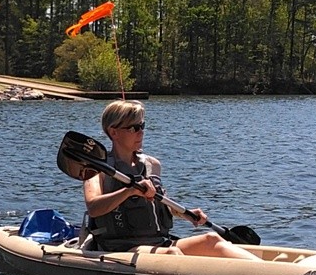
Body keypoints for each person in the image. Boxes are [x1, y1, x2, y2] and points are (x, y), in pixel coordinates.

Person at [82, 99, 259, 259]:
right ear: (114, 132)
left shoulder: (152, 165)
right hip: (122, 248)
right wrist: (130, 190)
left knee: (211, 239)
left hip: (160, 242)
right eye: (134, 128)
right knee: (172, 253)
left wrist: (186, 213)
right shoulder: (99, 168)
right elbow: (94, 208)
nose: (141, 133)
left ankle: (264, 272)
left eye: (142, 126)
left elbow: (158, 204)